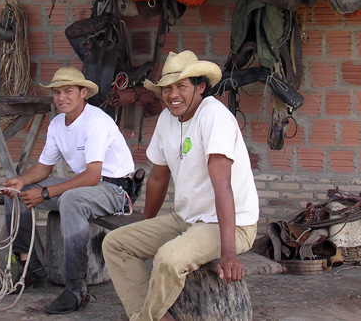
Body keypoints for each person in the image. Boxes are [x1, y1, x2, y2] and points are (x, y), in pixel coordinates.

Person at [102, 50, 260, 321]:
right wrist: (145, 225)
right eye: (167, 89)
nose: (173, 95)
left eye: (181, 87)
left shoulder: (213, 116)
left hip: (231, 225)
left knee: (168, 258)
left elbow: (222, 185)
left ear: (200, 88)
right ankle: (157, 317)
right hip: (186, 219)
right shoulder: (167, 119)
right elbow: (158, 178)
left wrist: (229, 253)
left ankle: (145, 319)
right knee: (115, 244)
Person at [2, 66, 135, 315]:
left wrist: (46, 193)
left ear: (83, 92)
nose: (61, 97)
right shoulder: (56, 124)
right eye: (57, 92)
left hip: (114, 189)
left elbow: (93, 175)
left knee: (70, 200)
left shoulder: (96, 121)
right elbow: (43, 168)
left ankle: (76, 289)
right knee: (17, 194)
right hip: (88, 186)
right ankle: (29, 268)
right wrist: (20, 181)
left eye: (68, 91)